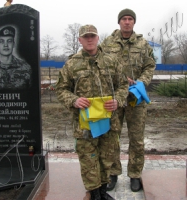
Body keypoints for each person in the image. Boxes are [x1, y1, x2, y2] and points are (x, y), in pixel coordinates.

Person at [55, 24, 129, 200]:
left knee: (106, 158)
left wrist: (117, 100)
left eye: (92, 36)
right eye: (85, 36)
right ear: (80, 40)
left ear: (97, 39)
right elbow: (61, 89)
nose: (89, 39)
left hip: (108, 121)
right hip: (85, 123)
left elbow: (123, 85)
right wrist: (74, 100)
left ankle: (103, 193)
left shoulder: (111, 61)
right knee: (89, 160)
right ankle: (94, 194)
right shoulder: (71, 64)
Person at [101, 8, 156, 192]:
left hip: (136, 98)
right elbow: (101, 65)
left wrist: (141, 82)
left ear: (134, 22)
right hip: (115, 98)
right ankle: (113, 173)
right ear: (119, 22)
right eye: (124, 19)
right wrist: (120, 80)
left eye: (130, 19)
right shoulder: (108, 43)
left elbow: (150, 66)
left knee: (137, 139)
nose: (126, 22)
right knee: (112, 137)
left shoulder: (142, 43)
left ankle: (134, 174)